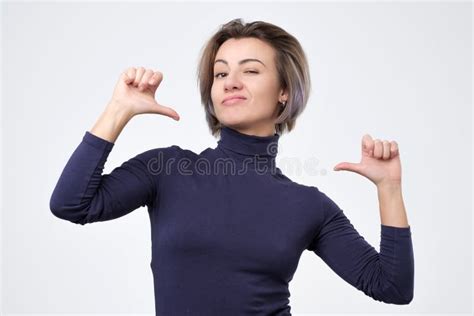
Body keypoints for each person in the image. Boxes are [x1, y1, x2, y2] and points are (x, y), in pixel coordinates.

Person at [49, 18, 414, 315]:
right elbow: (72, 204)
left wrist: (389, 189)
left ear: (284, 90)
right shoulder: (167, 169)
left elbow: (392, 287)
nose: (231, 83)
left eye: (250, 71)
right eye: (220, 74)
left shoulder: (309, 206)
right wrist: (119, 109)